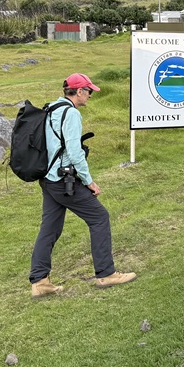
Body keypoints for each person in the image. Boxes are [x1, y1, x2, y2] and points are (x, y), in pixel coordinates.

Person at [30, 73, 136, 298]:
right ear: (78, 91)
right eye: (88, 91)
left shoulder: (52, 109)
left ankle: (40, 281)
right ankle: (106, 273)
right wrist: (89, 182)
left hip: (48, 179)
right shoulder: (71, 113)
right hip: (63, 180)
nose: (89, 95)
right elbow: (74, 152)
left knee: (49, 228)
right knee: (99, 217)